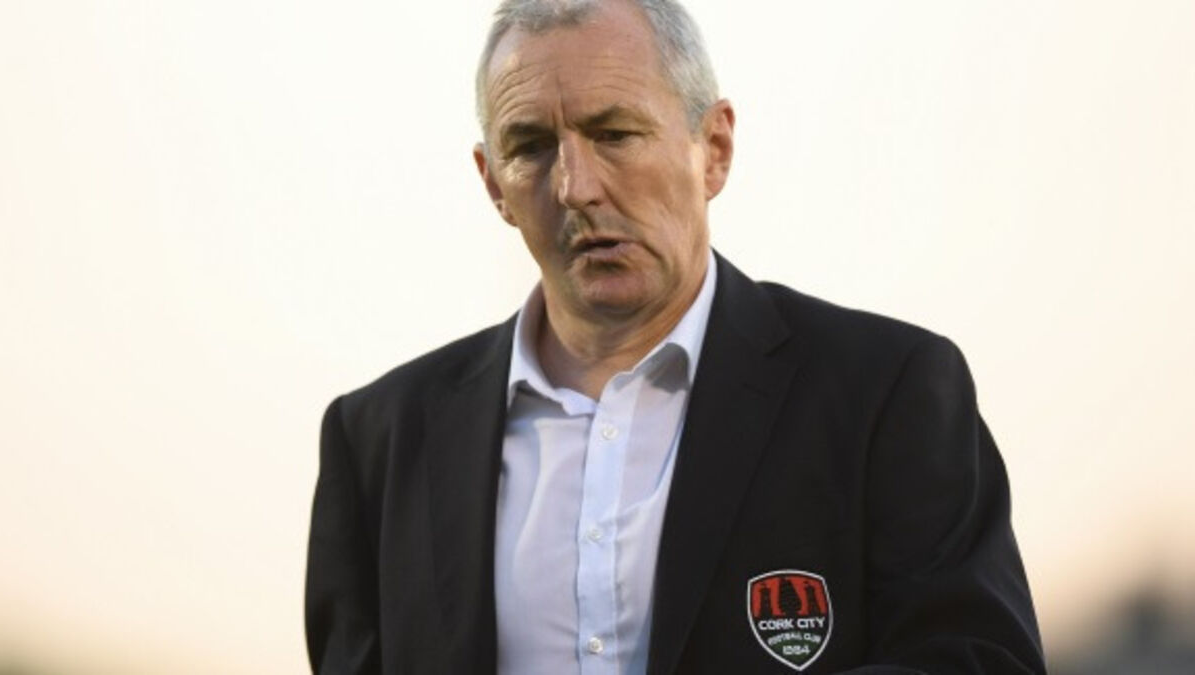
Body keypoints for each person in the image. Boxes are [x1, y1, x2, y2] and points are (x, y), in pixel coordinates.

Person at [305, 0, 1046, 673]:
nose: (576, 186)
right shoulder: (378, 442)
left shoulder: (886, 391)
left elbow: (977, 663)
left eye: (614, 134)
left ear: (714, 147)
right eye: (530, 146)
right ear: (492, 182)